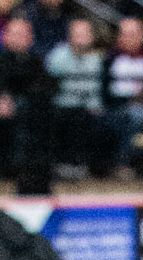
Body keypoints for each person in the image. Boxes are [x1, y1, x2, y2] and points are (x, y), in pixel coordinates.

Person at [0, 11, 52, 190]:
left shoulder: (36, 61)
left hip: (24, 111)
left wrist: (12, 103)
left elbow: (41, 89)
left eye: (22, 35)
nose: (17, 39)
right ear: (4, 37)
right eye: (13, 34)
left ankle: (20, 169)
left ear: (30, 39)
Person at [45, 12, 112, 173]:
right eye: (77, 34)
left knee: (100, 119)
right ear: (70, 36)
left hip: (85, 108)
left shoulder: (96, 59)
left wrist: (95, 106)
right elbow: (48, 84)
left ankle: (90, 166)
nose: (81, 38)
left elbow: (93, 90)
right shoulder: (57, 56)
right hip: (60, 106)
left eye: (85, 34)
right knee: (73, 117)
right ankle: (65, 164)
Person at [106, 13, 143, 171]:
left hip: (142, 104)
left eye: (135, 34)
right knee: (135, 116)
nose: (131, 39)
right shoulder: (111, 59)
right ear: (119, 37)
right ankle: (122, 163)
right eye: (127, 35)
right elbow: (110, 91)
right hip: (116, 107)